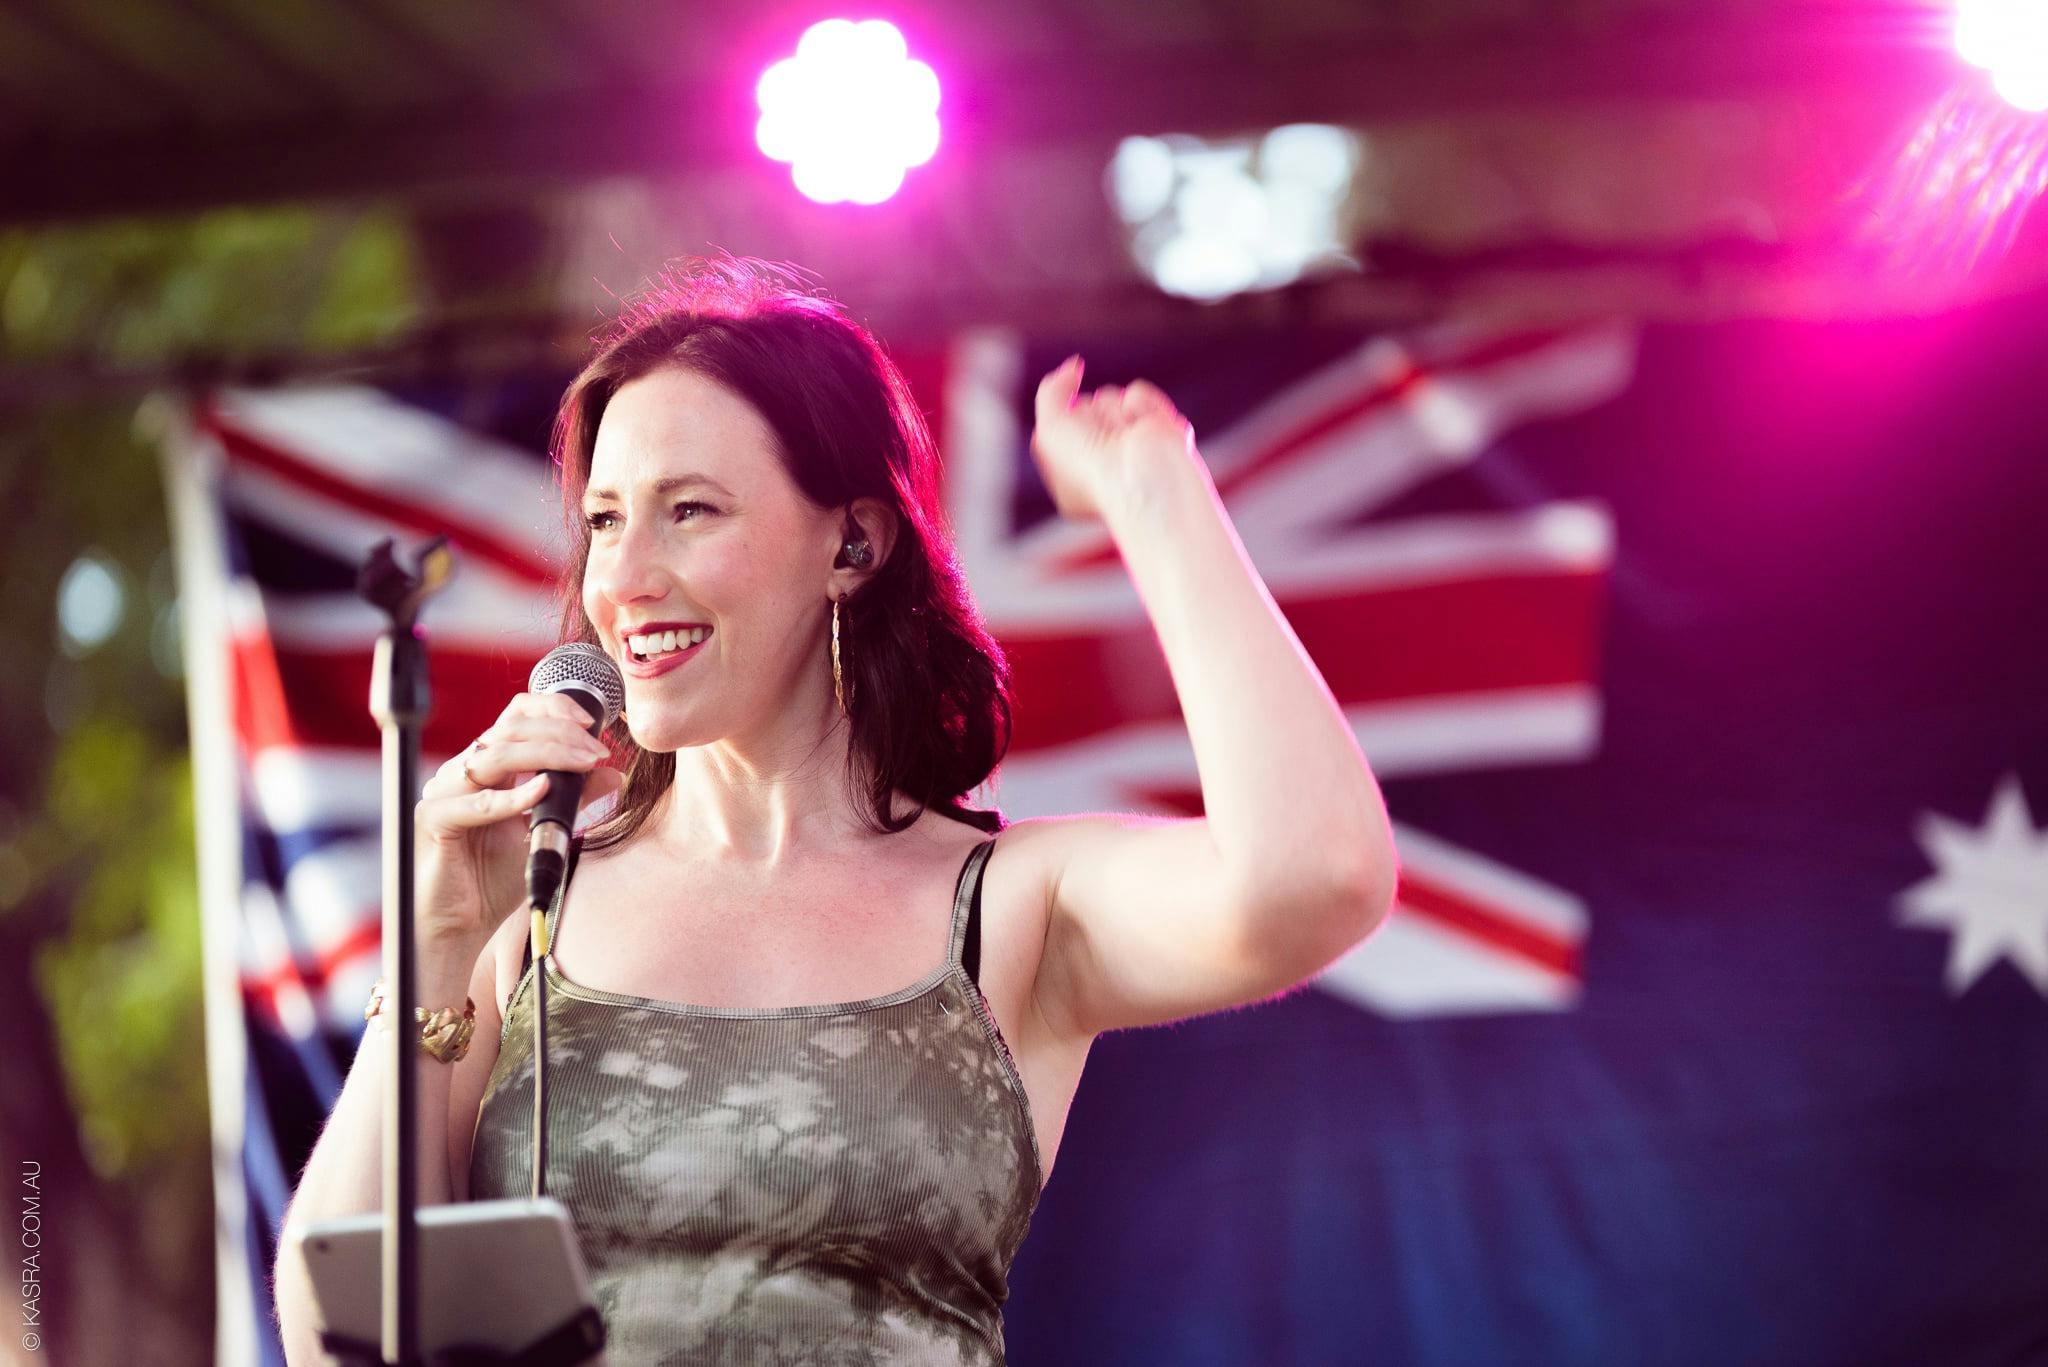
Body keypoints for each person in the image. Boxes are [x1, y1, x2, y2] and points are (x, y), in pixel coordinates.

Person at [274, 258, 1398, 1365]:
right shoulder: (526, 911)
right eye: (606, 519)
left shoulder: (1009, 903)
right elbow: (338, 1339)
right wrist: (427, 952)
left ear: (852, 542)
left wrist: (1155, 495)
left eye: (689, 511)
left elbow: (1316, 876)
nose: (621, 578)